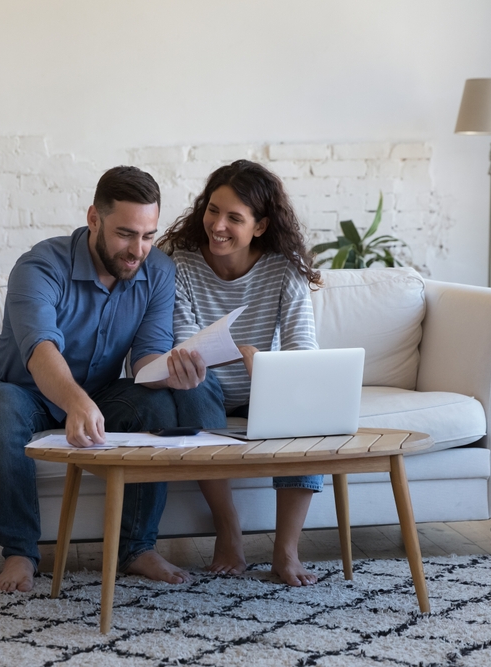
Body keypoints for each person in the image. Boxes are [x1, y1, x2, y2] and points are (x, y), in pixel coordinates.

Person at [0, 166, 209, 593]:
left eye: (148, 235)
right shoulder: (40, 265)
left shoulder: (157, 271)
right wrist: (76, 403)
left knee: (155, 405)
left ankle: (137, 549)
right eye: (125, 234)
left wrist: (171, 375)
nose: (138, 249)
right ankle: (20, 553)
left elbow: (146, 358)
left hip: (100, 393)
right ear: (94, 219)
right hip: (24, 393)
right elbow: (40, 350)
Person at [158, 159, 324, 587]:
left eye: (235, 217)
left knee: (305, 408)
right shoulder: (181, 263)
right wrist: (241, 353)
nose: (218, 225)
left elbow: (303, 353)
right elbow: (186, 346)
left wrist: (267, 368)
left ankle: (286, 550)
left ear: (261, 225)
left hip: (261, 387)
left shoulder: (285, 270)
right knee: (189, 386)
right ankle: (228, 530)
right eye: (213, 210)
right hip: (204, 384)